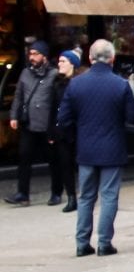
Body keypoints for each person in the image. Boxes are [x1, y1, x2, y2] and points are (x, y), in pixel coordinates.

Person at [56, 39, 134, 257]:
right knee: (109, 196)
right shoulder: (120, 84)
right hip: (112, 148)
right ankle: (104, 243)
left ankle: (82, 242)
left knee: (86, 197)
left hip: (85, 149)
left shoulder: (76, 84)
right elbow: (133, 116)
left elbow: (63, 118)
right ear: (112, 59)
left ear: (90, 58)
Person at [5, 41, 61, 207]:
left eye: (36, 54)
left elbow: (58, 99)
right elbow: (18, 97)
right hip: (28, 124)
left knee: (53, 159)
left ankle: (56, 192)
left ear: (44, 56)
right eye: (30, 54)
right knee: (24, 158)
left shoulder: (54, 74)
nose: (32, 57)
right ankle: (23, 193)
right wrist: (14, 116)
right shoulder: (25, 73)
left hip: (47, 125)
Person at [51, 48, 83, 212]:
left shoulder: (79, 83)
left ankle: (87, 194)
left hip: (79, 131)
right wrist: (51, 131)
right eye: (59, 61)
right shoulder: (57, 84)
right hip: (62, 131)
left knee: (82, 165)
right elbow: (52, 108)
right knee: (65, 165)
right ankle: (71, 197)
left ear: (72, 64)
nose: (59, 64)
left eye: (63, 61)